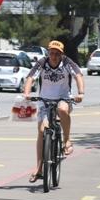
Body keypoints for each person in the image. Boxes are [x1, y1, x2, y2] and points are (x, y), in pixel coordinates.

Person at [23, 40, 85, 183]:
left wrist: (81, 93)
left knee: (62, 109)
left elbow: (78, 76)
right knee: (41, 130)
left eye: (57, 54)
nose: (54, 56)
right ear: (48, 53)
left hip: (64, 98)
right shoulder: (42, 63)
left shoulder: (67, 63)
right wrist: (26, 93)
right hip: (44, 100)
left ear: (62, 54)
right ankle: (39, 169)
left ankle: (67, 140)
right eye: (52, 53)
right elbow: (30, 77)